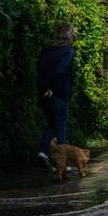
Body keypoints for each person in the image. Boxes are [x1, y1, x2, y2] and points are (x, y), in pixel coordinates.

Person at [36, 23, 75, 169]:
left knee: (52, 123)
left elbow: (40, 69)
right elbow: (61, 71)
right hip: (58, 93)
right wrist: (53, 88)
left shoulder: (46, 50)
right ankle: (62, 162)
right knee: (61, 126)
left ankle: (43, 151)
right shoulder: (67, 51)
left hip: (43, 93)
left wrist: (43, 88)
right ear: (68, 36)